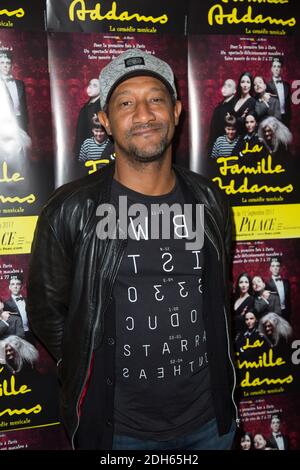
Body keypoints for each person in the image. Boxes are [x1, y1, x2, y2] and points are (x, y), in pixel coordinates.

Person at [27, 48, 238, 451]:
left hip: (211, 424)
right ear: (104, 121)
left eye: (155, 99)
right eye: (126, 103)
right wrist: (91, 361)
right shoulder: (70, 209)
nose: (143, 114)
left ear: (176, 111)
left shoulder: (211, 201)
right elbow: (45, 312)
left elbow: (218, 297)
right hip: (115, 432)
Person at [0, 51, 29, 131]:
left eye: (8, 63)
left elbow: (24, 106)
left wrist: (25, 124)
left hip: (19, 121)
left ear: (11, 66)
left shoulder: (20, 83)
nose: (5, 65)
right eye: (2, 63)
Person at [207, 78, 236, 153]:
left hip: (226, 148)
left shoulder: (235, 105)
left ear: (234, 91)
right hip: (215, 146)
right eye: (225, 84)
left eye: (229, 86)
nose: (225, 87)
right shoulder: (220, 105)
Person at [74, 78, 101, 157]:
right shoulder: (86, 107)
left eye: (95, 85)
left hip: (96, 149)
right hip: (84, 147)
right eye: (90, 84)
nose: (90, 87)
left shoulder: (102, 107)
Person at [4, 274, 34, 344]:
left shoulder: (29, 301)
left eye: (18, 284)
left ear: (22, 287)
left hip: (30, 334)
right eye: (12, 284)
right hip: (16, 336)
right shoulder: (6, 304)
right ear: (9, 287)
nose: (15, 286)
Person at [267, 57, 291, 127]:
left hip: (285, 118)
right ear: (271, 69)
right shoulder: (267, 85)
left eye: (278, 66)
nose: (276, 69)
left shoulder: (287, 85)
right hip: (273, 117)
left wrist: (289, 118)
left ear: (281, 69)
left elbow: (288, 104)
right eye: (274, 66)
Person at [265, 257, 292, 322]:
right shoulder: (267, 283)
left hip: (286, 313)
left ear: (280, 268)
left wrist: (289, 312)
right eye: (273, 266)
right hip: (274, 313)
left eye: (277, 266)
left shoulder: (286, 282)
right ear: (270, 268)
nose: (275, 268)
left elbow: (288, 298)